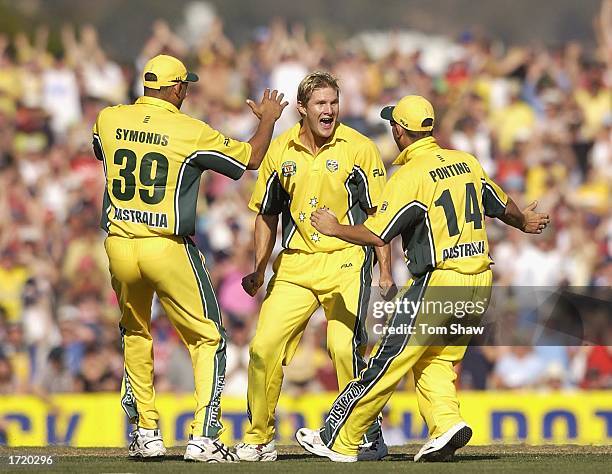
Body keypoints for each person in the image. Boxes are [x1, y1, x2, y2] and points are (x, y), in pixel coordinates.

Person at [296, 95, 550, 462]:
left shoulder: (411, 175)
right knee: (435, 361)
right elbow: (501, 203)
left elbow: (377, 233)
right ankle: (446, 423)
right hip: (480, 282)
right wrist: (523, 222)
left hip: (440, 280)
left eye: (392, 125)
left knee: (388, 359)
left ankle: (341, 440)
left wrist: (335, 228)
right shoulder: (466, 161)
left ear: (400, 131)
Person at [92, 54, 287, 462]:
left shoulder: (108, 118)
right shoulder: (189, 131)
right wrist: (267, 119)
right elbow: (250, 159)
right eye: (186, 86)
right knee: (209, 338)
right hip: (165, 244)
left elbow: (101, 151)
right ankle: (205, 436)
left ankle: (147, 432)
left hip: (119, 242)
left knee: (135, 333)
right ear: (177, 88)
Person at [235, 71, 394, 462]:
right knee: (263, 348)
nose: (329, 111)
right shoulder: (280, 149)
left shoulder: (359, 148)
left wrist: (385, 270)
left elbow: (379, 217)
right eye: (321, 104)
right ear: (302, 109)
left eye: (334, 103)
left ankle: (365, 435)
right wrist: (259, 268)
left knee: (342, 347)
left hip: (345, 260)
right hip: (295, 265)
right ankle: (258, 439)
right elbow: (267, 214)